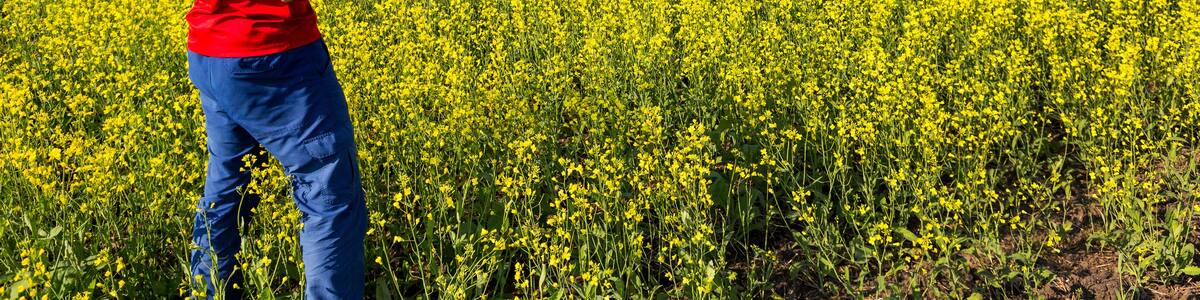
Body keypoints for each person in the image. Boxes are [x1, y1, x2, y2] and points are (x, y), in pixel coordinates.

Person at [184, 0, 367, 298]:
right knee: (329, 195)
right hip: (274, 54)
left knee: (227, 190)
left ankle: (208, 293)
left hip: (210, 50)